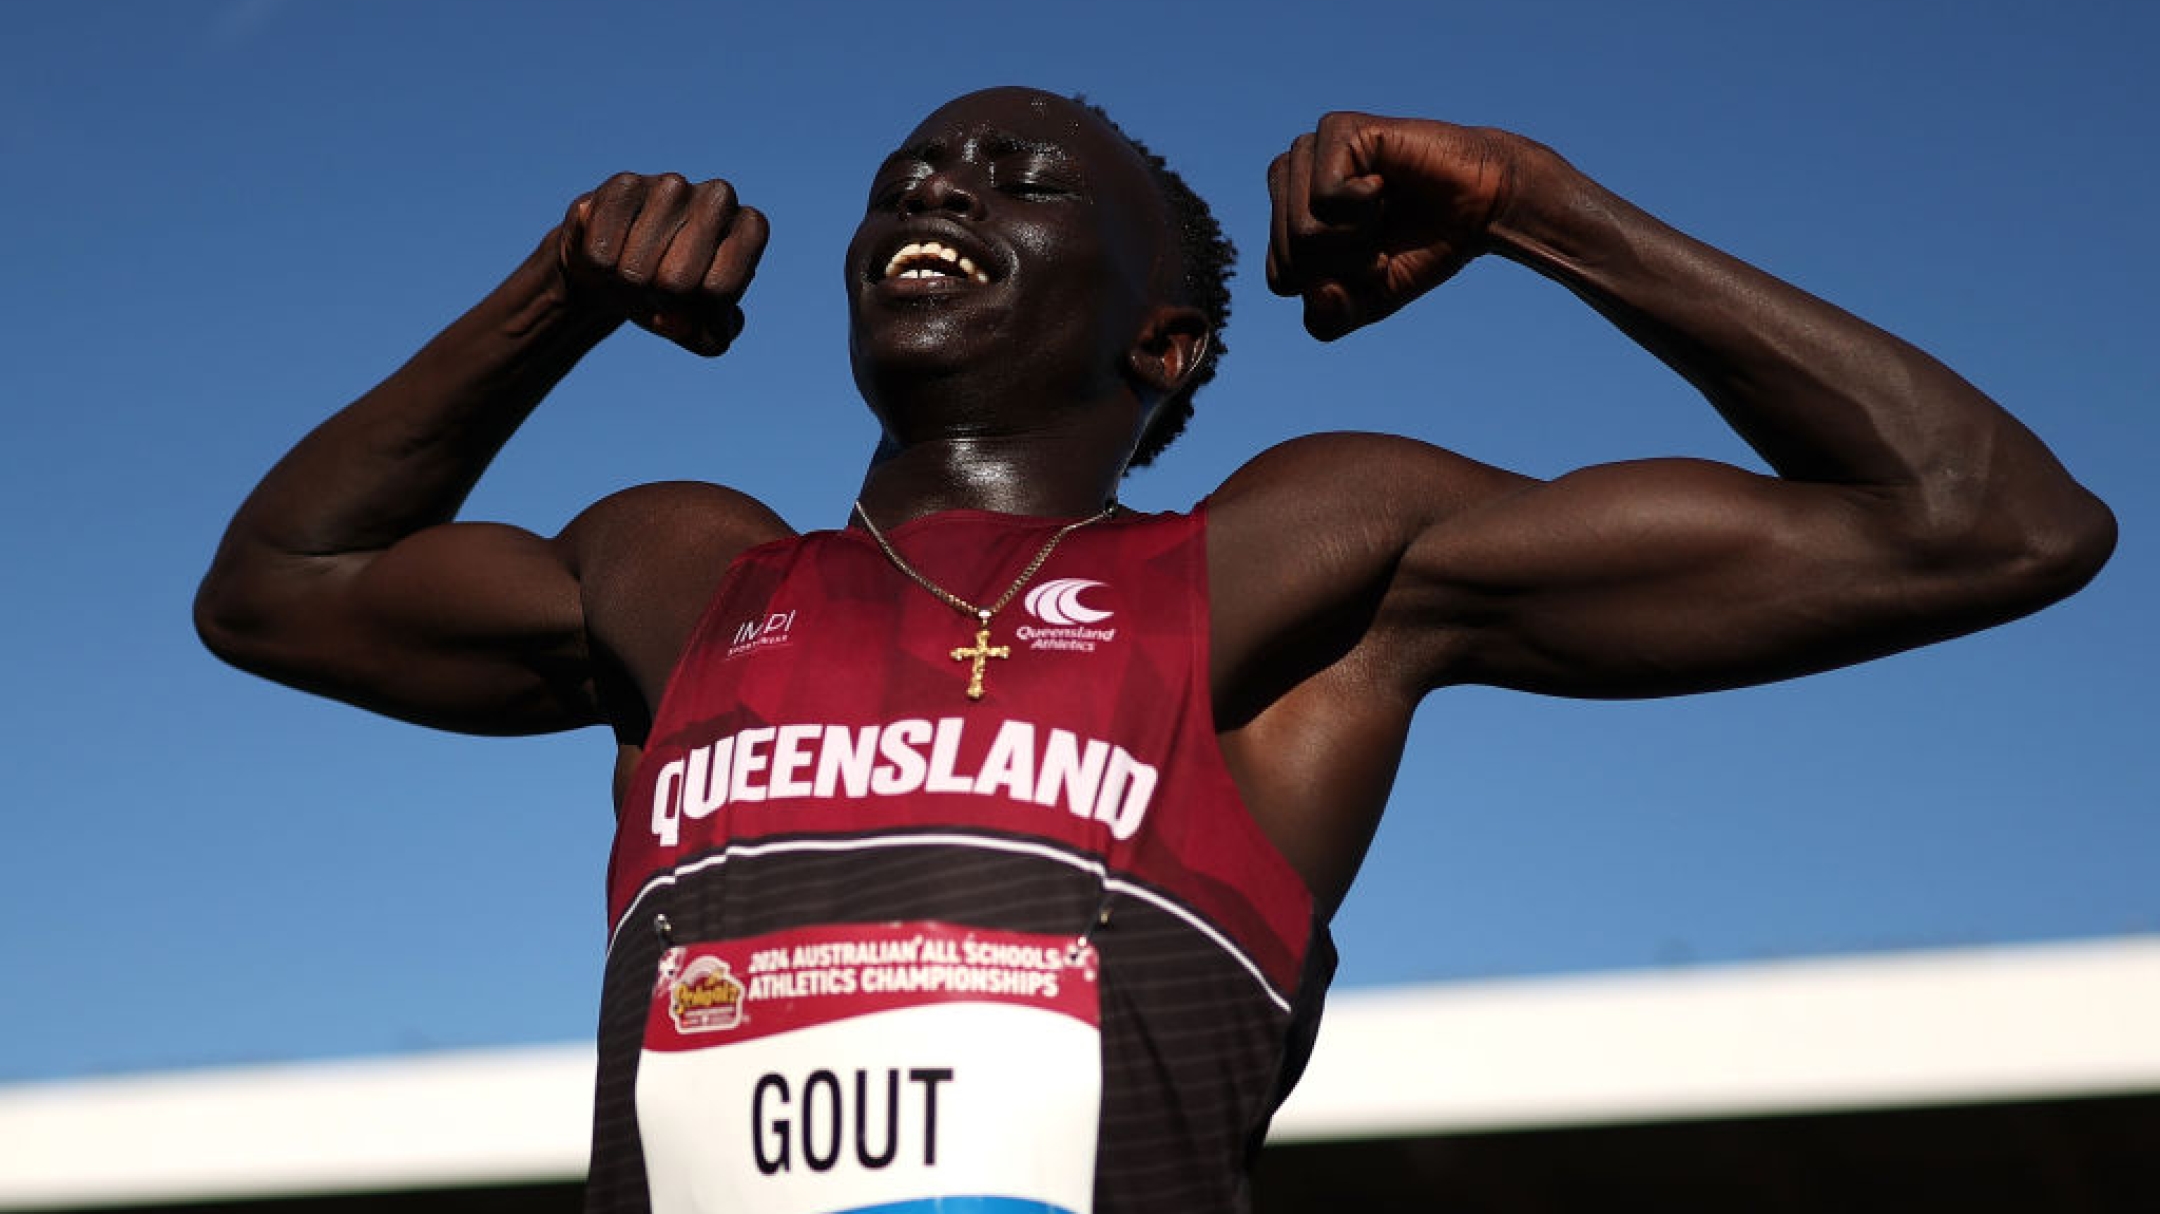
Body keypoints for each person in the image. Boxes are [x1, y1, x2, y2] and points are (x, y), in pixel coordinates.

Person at [196, 87, 2113, 1214]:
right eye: (914, 172)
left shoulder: (1299, 559)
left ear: (1166, 342)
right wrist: (549, 304)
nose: (937, 187)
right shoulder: (686, 574)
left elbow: (1985, 522)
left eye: (1021, 178)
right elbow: (278, 583)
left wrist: (1542, 208)